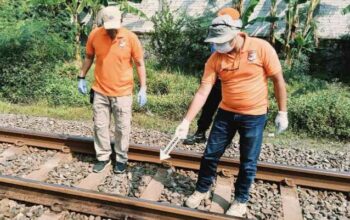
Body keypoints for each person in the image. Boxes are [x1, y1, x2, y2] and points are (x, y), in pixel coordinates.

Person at [175, 15, 288, 217]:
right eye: (215, 42)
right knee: (210, 154)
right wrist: (186, 121)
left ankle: (240, 200)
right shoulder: (215, 58)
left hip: (254, 116)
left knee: (248, 161)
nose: (218, 45)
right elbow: (203, 91)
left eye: (222, 41)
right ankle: (201, 189)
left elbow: (278, 81)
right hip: (225, 113)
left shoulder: (261, 48)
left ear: (235, 34)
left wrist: (282, 112)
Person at [77, 6, 147, 174]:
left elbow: (139, 63)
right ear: (102, 24)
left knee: (122, 128)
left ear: (121, 23)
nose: (112, 31)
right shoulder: (95, 35)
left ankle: (121, 159)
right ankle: (103, 157)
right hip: (100, 90)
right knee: (100, 126)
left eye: (115, 27)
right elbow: (89, 57)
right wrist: (81, 76)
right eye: (108, 28)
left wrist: (143, 87)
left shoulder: (130, 38)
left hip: (123, 92)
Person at [183, 8, 241, 145]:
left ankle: (227, 140)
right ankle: (200, 133)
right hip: (215, 79)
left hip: (232, 82)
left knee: (230, 112)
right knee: (208, 107)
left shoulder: (237, 37)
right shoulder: (215, 34)